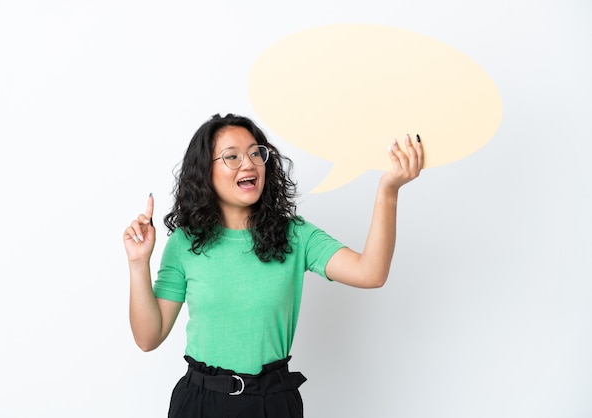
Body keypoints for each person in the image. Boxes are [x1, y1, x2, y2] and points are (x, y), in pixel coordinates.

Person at [123, 113, 423, 418]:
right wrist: (138, 263)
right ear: (205, 172)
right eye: (232, 156)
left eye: (256, 152)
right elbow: (148, 338)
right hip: (200, 403)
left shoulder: (295, 235)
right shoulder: (186, 243)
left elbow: (370, 272)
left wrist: (389, 190)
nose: (249, 163)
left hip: (273, 403)